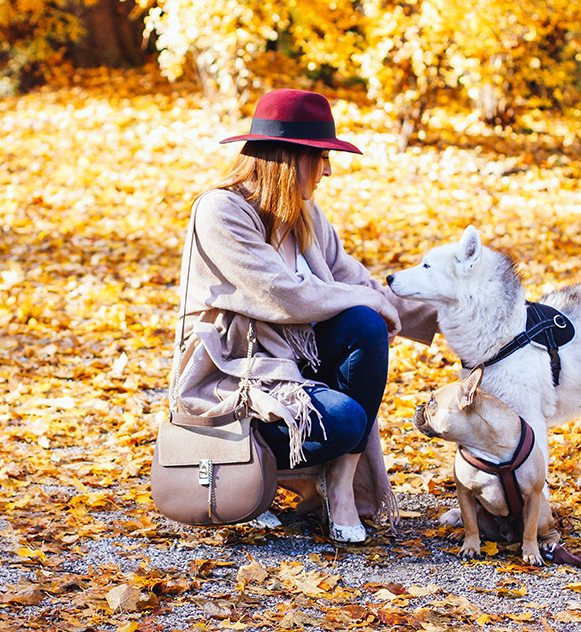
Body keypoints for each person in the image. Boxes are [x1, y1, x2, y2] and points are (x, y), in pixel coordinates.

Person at [170, 88, 438, 542]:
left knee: (364, 322)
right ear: (288, 158)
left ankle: (339, 487)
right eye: (321, 156)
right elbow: (280, 294)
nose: (329, 169)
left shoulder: (306, 216)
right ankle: (256, 477)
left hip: (298, 365)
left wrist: (472, 313)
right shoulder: (220, 210)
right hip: (241, 374)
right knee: (348, 419)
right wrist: (366, 300)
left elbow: (362, 285)